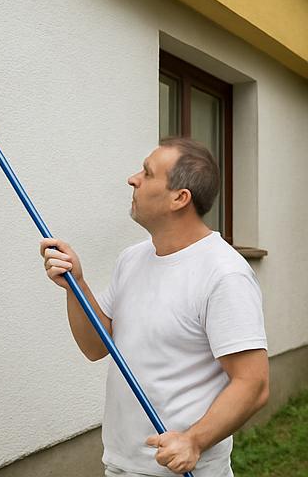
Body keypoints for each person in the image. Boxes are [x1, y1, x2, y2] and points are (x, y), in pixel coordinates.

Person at [40, 139, 268, 476]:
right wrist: (77, 286)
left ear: (180, 198)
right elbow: (95, 346)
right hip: (119, 465)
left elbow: (253, 384)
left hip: (182, 470)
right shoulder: (133, 258)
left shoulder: (224, 274)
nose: (133, 179)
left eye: (147, 173)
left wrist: (193, 441)